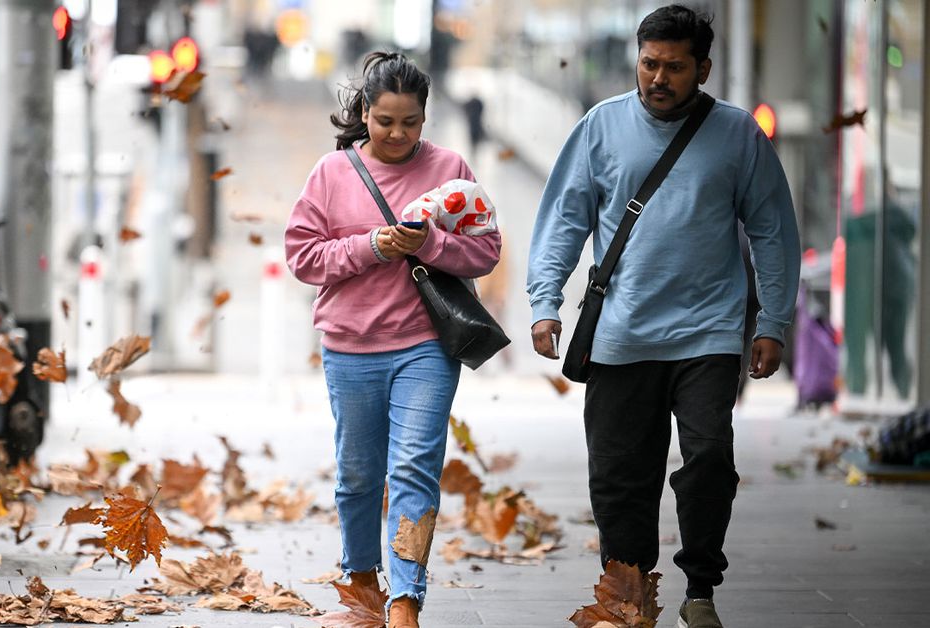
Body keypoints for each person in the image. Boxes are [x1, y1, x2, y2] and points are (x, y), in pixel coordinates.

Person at [525, 6, 799, 628]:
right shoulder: (601, 127)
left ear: (702, 69)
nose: (659, 77)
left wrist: (772, 322)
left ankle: (699, 588)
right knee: (620, 475)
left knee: (709, 458)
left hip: (708, 334)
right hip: (621, 335)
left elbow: (773, 231)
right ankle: (628, 593)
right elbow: (564, 220)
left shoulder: (737, 135)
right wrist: (546, 302)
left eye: (675, 67)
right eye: (650, 63)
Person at [285, 51, 501, 628]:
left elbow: (486, 250)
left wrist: (430, 245)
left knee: (414, 468)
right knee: (358, 472)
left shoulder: (450, 167)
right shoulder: (331, 175)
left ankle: (406, 595)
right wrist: (371, 247)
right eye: (385, 121)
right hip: (350, 346)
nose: (398, 134)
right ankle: (360, 576)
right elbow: (302, 258)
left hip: (426, 346)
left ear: (426, 118)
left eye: (410, 122)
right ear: (364, 113)